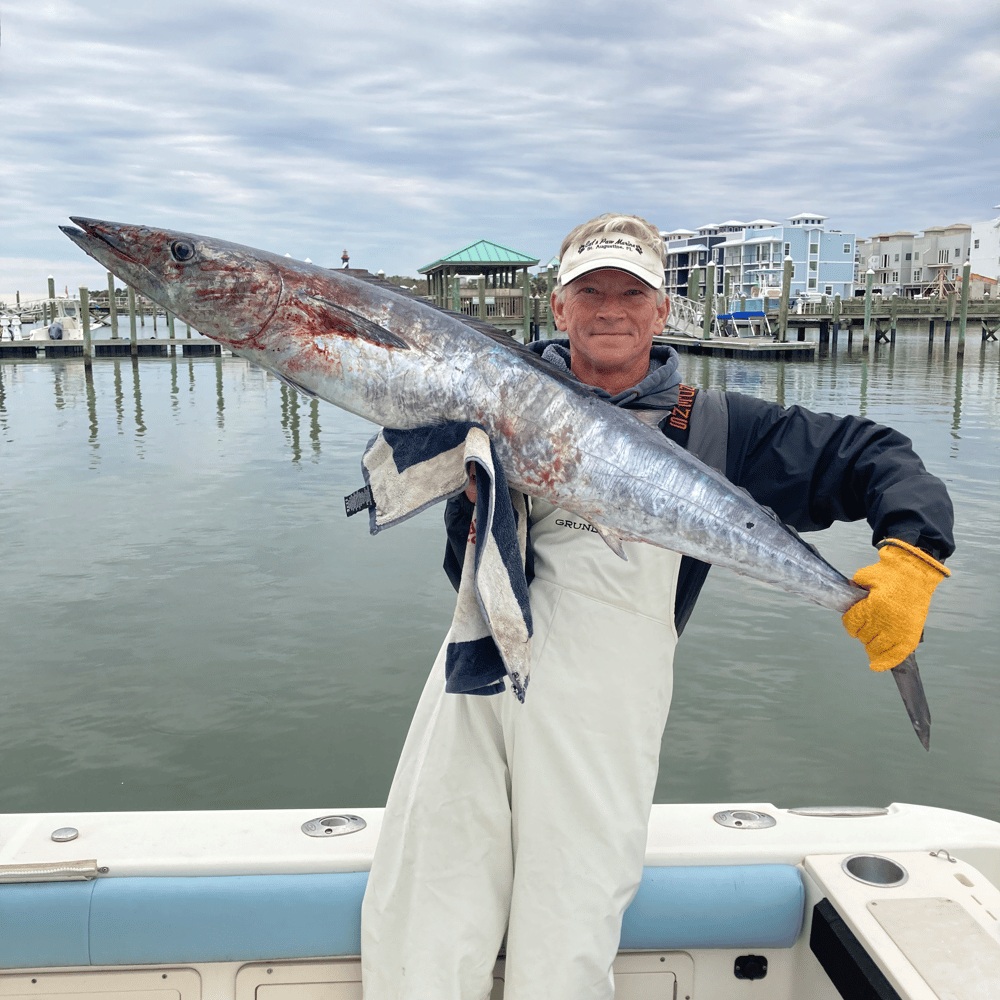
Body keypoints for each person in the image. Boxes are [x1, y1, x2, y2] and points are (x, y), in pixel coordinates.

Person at [360, 214, 954, 1000]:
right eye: (590, 290)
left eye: (631, 291)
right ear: (559, 307)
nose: (611, 307)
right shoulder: (482, 403)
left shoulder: (718, 429)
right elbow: (455, 555)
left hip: (602, 710)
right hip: (473, 679)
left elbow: (874, 455)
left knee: (567, 930)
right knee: (423, 903)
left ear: (660, 311)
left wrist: (911, 555)